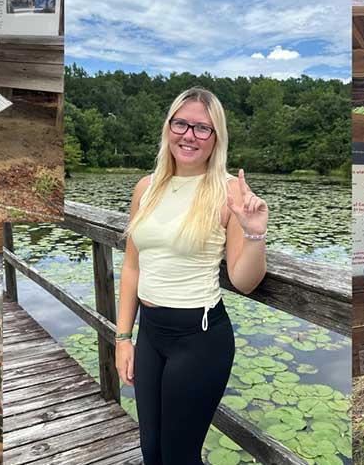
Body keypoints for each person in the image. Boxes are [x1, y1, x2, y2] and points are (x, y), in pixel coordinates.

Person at [112, 87, 268, 464]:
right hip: (150, 333)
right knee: (151, 450)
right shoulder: (146, 188)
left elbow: (245, 280)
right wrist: (122, 338)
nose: (189, 135)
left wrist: (254, 231)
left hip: (198, 339)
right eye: (180, 123)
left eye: (202, 128)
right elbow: (133, 265)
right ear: (168, 128)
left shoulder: (228, 193)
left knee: (180, 456)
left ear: (216, 138)